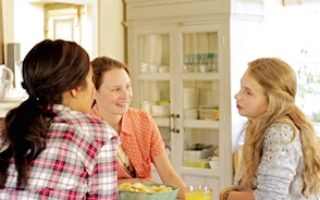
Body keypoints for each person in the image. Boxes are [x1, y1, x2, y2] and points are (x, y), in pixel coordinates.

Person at [0, 39, 118, 199]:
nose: (94, 91)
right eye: (92, 81)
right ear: (75, 88)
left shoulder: (10, 127)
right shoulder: (98, 134)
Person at [220, 57, 320, 200]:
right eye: (241, 87)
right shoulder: (258, 126)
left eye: (248, 92)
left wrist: (226, 195)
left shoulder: (280, 133)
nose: (238, 96)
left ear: (272, 100)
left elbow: (269, 198)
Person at [90, 56, 187, 199]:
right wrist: (134, 182)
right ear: (94, 92)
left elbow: (169, 175)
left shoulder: (144, 122)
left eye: (128, 86)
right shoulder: (84, 129)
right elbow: (85, 187)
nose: (125, 95)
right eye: (116, 89)